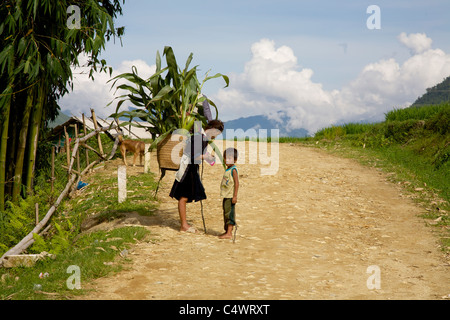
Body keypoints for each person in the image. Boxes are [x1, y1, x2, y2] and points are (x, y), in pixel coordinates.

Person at [169, 120, 224, 233]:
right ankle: (184, 225)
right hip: (188, 170)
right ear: (212, 129)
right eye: (216, 134)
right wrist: (205, 157)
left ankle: (184, 224)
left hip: (190, 169)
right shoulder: (200, 138)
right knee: (183, 197)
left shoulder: (201, 137)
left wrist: (205, 156)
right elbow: (193, 156)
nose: (215, 136)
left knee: (184, 196)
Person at [219, 148, 239, 239]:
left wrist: (235, 196)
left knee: (230, 214)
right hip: (226, 196)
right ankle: (227, 231)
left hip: (230, 196)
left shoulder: (233, 170)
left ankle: (229, 233)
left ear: (235, 160)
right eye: (225, 158)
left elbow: (236, 183)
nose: (227, 160)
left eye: (229, 158)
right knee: (225, 213)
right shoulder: (228, 169)